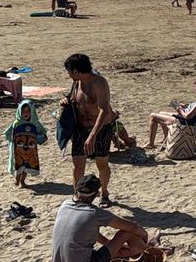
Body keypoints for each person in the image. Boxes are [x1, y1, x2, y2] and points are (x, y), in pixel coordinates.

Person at [51, 174, 149, 262]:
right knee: (125, 233)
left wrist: (109, 243)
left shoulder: (65, 205)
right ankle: (148, 250)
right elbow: (132, 227)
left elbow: (86, 231)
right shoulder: (94, 213)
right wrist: (144, 236)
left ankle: (133, 251)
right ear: (95, 195)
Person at [62, 54, 116, 208]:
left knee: (102, 163)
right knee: (78, 165)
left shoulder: (99, 83)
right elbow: (74, 100)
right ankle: (77, 196)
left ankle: (104, 193)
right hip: (80, 128)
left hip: (100, 129)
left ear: (77, 71)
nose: (69, 74)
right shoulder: (76, 83)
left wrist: (92, 135)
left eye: (70, 71)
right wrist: (66, 101)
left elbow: (104, 110)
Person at [146, 76, 196, 147]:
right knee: (161, 113)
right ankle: (166, 138)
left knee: (153, 116)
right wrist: (187, 106)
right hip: (190, 121)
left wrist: (179, 109)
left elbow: (188, 116)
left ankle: (151, 144)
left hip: (185, 123)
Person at [5, 100, 47, 188]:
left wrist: (41, 138)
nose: (26, 113)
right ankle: (17, 179)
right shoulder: (16, 123)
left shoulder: (35, 123)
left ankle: (22, 181)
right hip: (18, 150)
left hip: (30, 150)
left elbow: (42, 132)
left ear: (32, 112)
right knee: (19, 166)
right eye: (23, 111)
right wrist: (13, 142)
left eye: (28, 111)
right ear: (19, 111)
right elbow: (9, 134)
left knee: (27, 166)